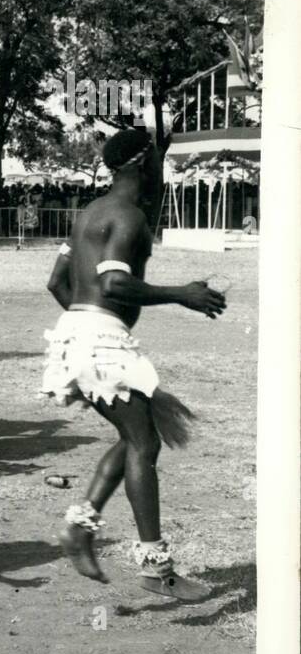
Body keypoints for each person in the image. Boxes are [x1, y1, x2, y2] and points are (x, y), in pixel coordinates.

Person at [42, 127, 224, 602]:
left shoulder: (90, 213)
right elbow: (116, 285)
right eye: (160, 161)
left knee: (134, 438)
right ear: (145, 164)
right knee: (144, 444)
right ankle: (156, 568)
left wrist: (85, 329)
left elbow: (58, 282)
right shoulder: (130, 216)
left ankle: (79, 529)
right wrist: (182, 294)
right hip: (99, 338)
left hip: (80, 334)